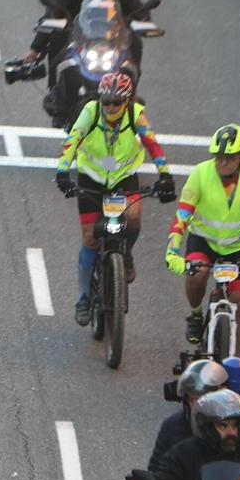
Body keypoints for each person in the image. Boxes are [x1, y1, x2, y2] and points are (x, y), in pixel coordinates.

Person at [55, 72, 177, 325]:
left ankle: (126, 255)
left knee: (133, 218)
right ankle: (83, 298)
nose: (111, 107)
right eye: (106, 102)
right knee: (90, 238)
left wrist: (165, 175)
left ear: (127, 101)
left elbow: (152, 144)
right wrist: (62, 171)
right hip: (91, 177)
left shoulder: (135, 114)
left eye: (116, 103)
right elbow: (72, 140)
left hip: (123, 176)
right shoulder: (91, 111)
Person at [166, 124, 240, 356]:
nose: (222, 163)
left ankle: (236, 364)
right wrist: (172, 251)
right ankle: (196, 313)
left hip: (237, 247)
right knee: (197, 273)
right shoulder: (200, 173)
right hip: (203, 241)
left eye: (229, 158)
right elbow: (182, 215)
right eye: (218, 157)